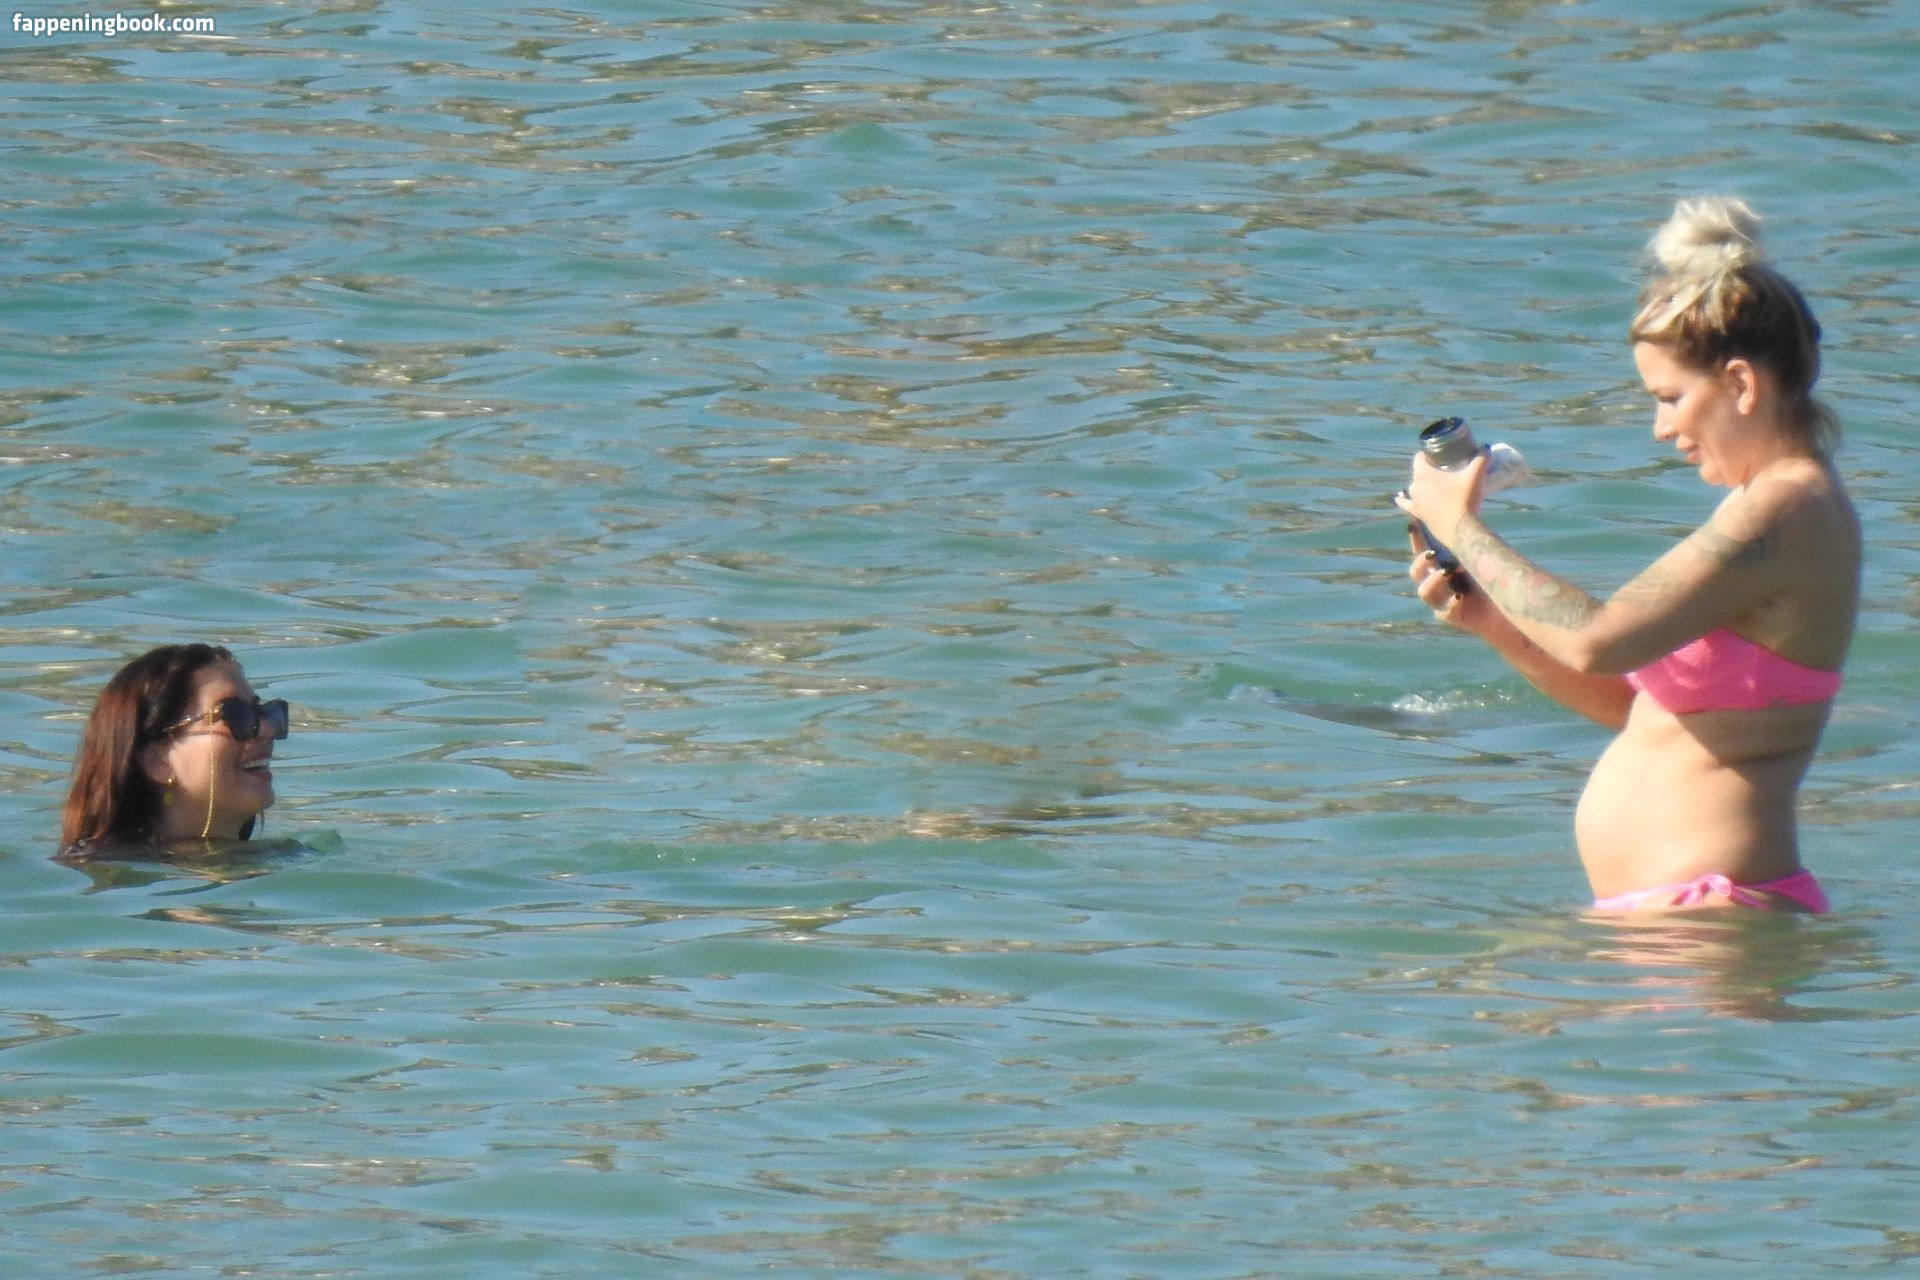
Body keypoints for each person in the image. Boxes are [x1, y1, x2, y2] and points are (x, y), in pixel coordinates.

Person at [1396, 197, 1859, 914]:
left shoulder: (1786, 510)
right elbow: (1639, 709)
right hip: (1686, 918)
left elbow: (1597, 638)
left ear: (1741, 383)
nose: (1660, 427)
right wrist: (1491, 619)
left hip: (1712, 918)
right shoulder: (1772, 504)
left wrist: (1459, 524)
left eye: (1670, 397)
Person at [59, 643, 289, 861]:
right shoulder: (105, 867)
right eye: (234, 714)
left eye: (263, 711)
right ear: (158, 760)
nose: (267, 730)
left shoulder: (283, 855)